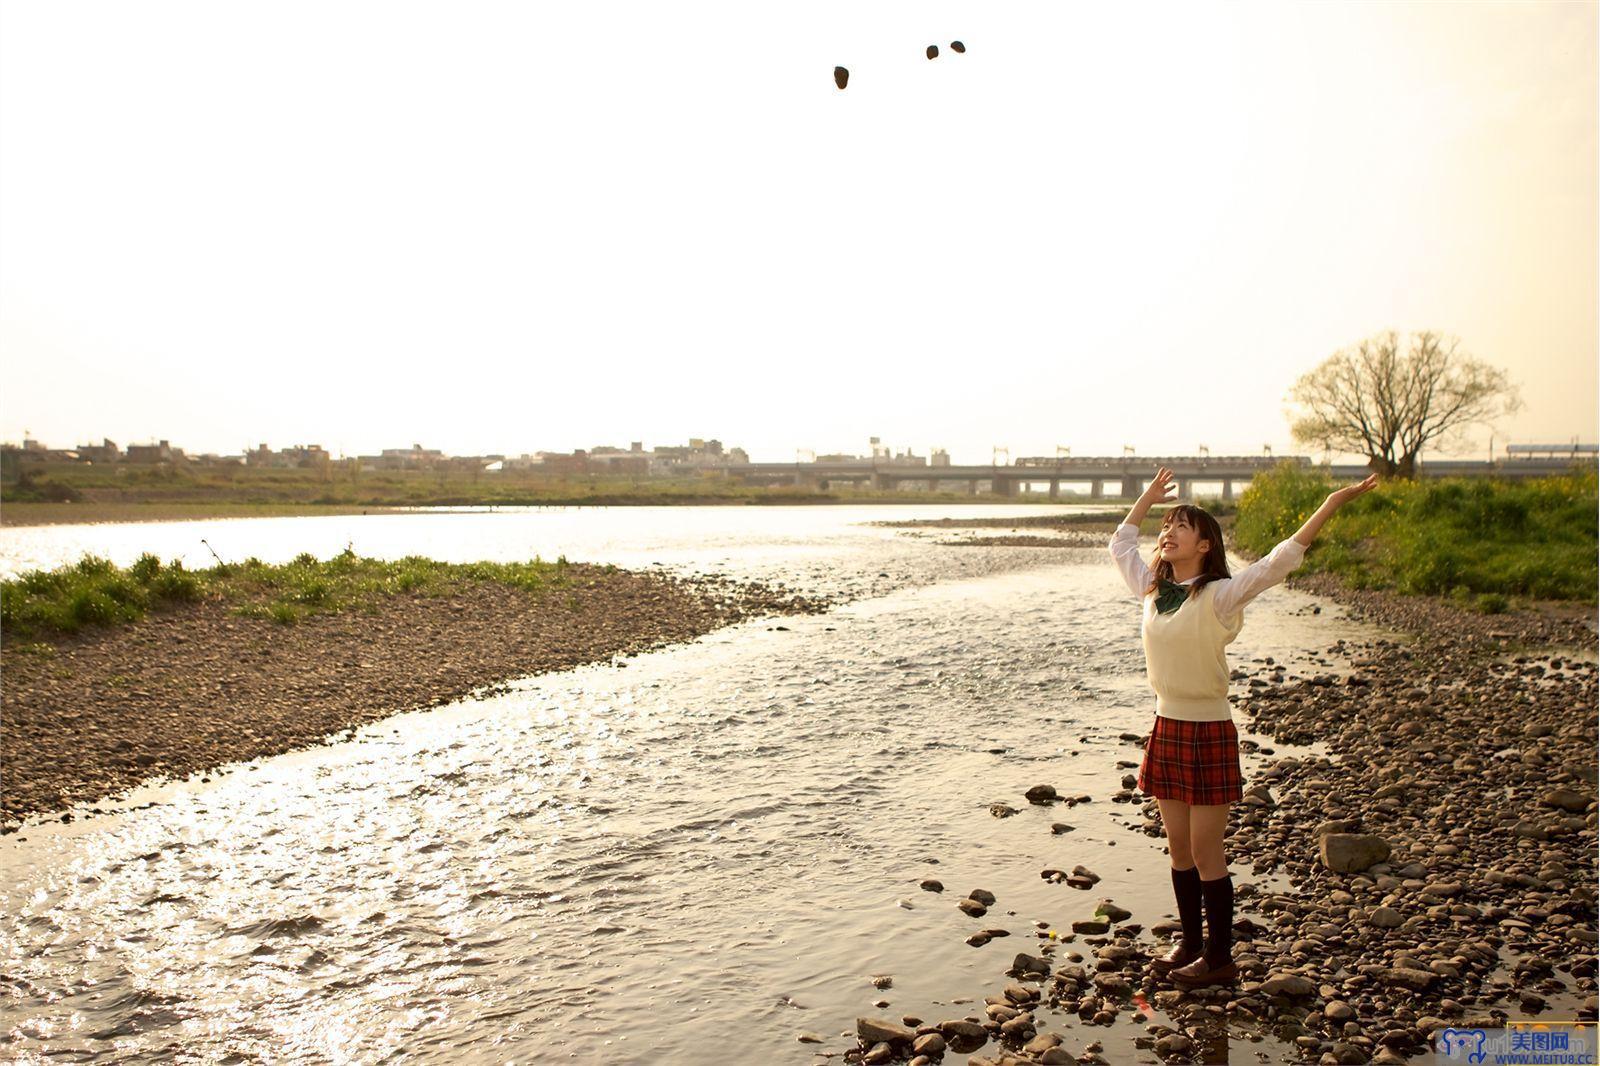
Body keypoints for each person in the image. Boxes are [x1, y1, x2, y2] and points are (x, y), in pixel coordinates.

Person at [1108, 465, 1378, 987]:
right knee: (1179, 846)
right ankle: (1189, 943)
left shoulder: (1220, 595)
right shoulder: (1150, 590)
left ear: (1205, 545)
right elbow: (1121, 542)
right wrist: (1145, 500)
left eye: (1179, 528)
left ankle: (1219, 958)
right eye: (1164, 528)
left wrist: (1332, 503)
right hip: (1166, 725)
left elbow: (1279, 562)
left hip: (1207, 730)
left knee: (1208, 848)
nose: (1166, 535)